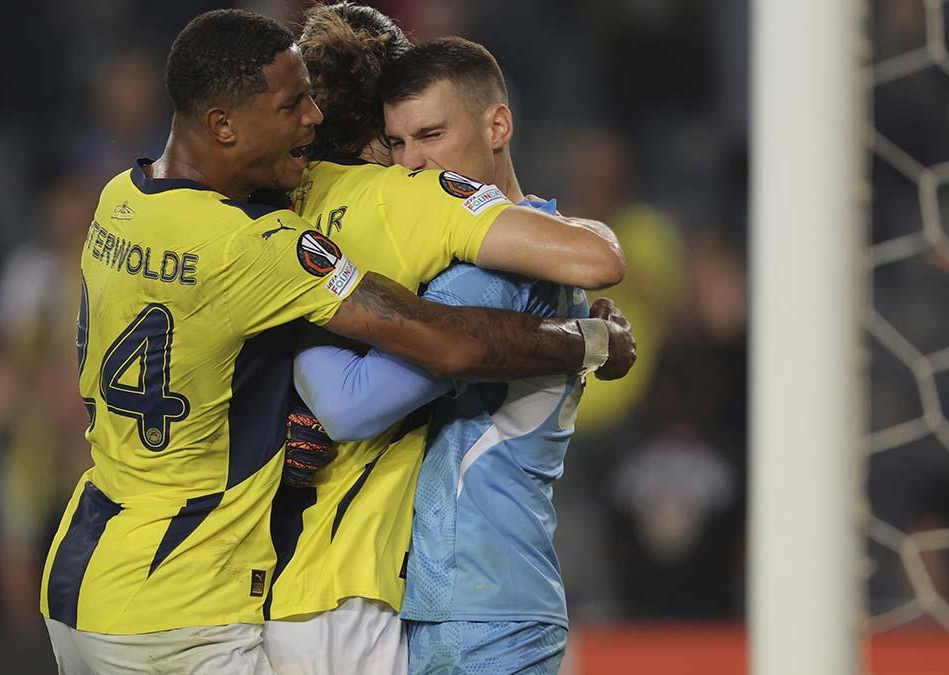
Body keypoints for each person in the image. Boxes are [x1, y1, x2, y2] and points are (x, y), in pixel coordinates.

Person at [39, 10, 632, 675]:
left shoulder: (125, 198)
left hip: (90, 570)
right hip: (258, 593)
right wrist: (591, 341)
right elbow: (513, 302)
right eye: (293, 105)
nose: (309, 117)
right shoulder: (382, 206)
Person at [262, 5, 634, 674]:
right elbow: (595, 248)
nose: (412, 164)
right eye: (397, 141)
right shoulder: (525, 238)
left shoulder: (490, 268)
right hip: (471, 598)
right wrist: (596, 340)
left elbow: (352, 403)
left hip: (481, 605)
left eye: (430, 135)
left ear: (497, 124)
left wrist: (303, 314)